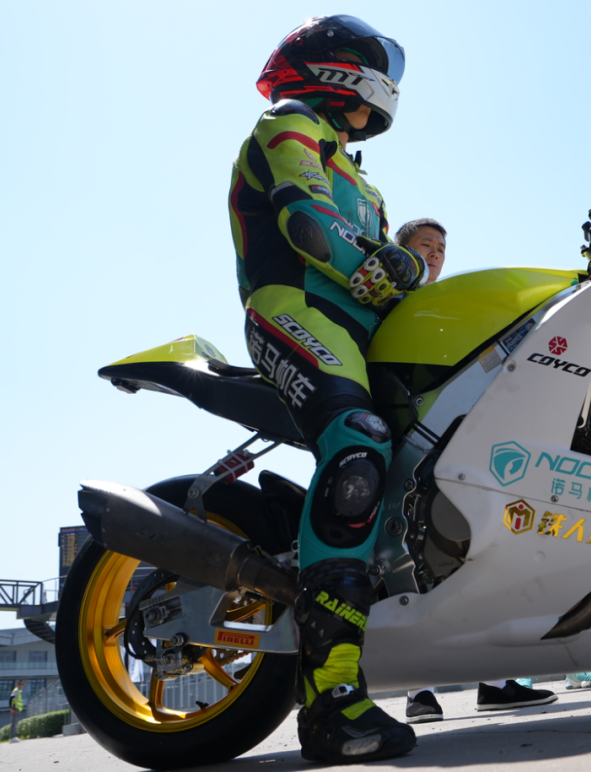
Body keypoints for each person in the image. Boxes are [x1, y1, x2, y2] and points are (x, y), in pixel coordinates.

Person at [229, 16, 426, 763]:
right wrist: (386, 264)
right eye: (375, 69)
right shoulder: (289, 122)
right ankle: (330, 699)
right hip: (294, 310)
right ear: (337, 68)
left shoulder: (364, 178)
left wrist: (408, 270)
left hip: (364, 334)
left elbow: (390, 273)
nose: (386, 86)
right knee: (359, 446)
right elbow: (308, 224)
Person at [391, 220, 559, 723]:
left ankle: (497, 681)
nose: (435, 254)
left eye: (441, 248)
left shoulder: (450, 303)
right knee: (410, 558)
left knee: (477, 549)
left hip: (459, 443)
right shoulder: (391, 302)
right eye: (425, 245)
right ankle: (419, 691)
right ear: (400, 252)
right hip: (407, 446)